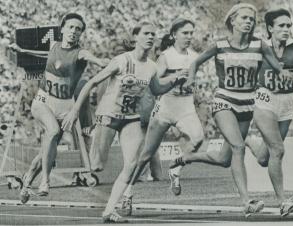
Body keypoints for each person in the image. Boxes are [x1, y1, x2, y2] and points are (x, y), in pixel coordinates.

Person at [167, 4, 288, 217]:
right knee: (238, 148)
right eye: (244, 18)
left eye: (251, 18)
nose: (249, 22)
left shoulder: (260, 45)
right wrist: (191, 77)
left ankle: (185, 158)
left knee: (224, 159)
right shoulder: (220, 45)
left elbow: (279, 69)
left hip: (249, 103)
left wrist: (284, 73)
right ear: (232, 20)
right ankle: (246, 202)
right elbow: (195, 62)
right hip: (225, 100)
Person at [61, 21, 187, 223]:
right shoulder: (122, 60)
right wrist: (75, 110)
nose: (150, 37)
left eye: (153, 35)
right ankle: (48, 163)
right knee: (96, 166)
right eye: (146, 33)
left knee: (132, 163)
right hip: (108, 116)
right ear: (136, 37)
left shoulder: (152, 66)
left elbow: (156, 90)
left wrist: (175, 80)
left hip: (131, 119)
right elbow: (93, 82)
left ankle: (109, 210)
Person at [12, 13, 109, 204]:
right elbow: (44, 55)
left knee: (47, 150)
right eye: (71, 27)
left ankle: (28, 179)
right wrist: (22, 49)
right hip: (43, 100)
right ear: (62, 28)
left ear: (81, 33)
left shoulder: (80, 53)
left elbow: (97, 60)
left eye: (78, 29)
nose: (74, 32)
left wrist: (108, 63)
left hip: (65, 105)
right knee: (53, 131)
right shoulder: (53, 45)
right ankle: (45, 181)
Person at [121, 17, 205, 217]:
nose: (188, 36)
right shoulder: (166, 56)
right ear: (174, 34)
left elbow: (192, 80)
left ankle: (175, 169)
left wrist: (189, 81)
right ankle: (127, 193)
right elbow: (155, 82)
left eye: (191, 33)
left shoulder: (195, 56)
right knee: (146, 155)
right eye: (185, 33)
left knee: (198, 139)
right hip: (165, 108)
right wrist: (175, 78)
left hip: (185, 107)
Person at [243, 8, 293, 216]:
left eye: (288, 25)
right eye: (281, 25)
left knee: (264, 158)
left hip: (287, 104)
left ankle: (249, 140)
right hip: (264, 100)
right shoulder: (260, 48)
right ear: (270, 28)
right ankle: (283, 201)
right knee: (278, 150)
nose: (286, 29)